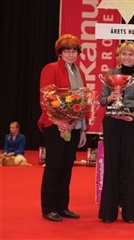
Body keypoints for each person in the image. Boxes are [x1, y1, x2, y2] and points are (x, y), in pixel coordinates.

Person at [98, 40, 134, 224]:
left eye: (131, 54)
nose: (127, 57)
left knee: (130, 166)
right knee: (112, 164)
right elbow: (101, 100)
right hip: (112, 122)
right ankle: (108, 212)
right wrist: (110, 97)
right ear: (118, 56)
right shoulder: (110, 74)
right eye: (124, 54)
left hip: (130, 124)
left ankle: (130, 212)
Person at [38, 34, 87, 222]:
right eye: (67, 50)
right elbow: (47, 98)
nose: (71, 54)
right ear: (60, 52)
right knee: (54, 166)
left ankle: (62, 206)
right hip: (55, 126)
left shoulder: (79, 72)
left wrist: (82, 128)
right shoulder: (50, 69)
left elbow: (82, 102)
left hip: (74, 126)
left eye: (74, 50)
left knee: (67, 167)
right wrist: (59, 122)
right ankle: (48, 208)